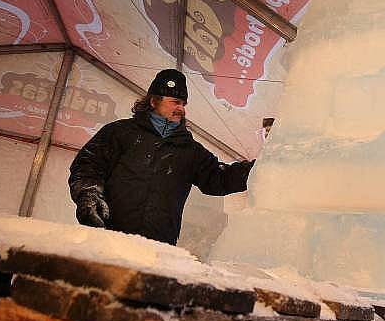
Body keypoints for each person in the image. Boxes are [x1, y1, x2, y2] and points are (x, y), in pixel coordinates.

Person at [68, 69, 254, 245]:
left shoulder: (189, 150)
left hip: (156, 248)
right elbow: (87, 167)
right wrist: (89, 196)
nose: (181, 108)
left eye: (183, 104)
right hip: (107, 237)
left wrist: (260, 170)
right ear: (153, 102)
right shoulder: (119, 132)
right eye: (175, 101)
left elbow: (218, 178)